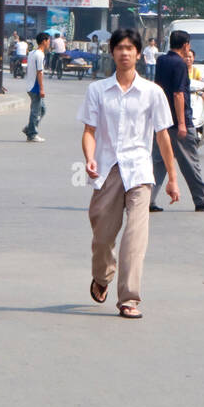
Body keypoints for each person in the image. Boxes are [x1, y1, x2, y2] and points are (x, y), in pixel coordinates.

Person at [78, 27, 180, 318]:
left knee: (135, 237)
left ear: (139, 53)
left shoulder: (152, 92)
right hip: (108, 169)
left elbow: (162, 137)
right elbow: (88, 131)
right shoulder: (97, 90)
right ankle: (102, 275)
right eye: (119, 47)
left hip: (139, 172)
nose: (124, 53)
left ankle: (129, 298)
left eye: (129, 48)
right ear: (112, 52)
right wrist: (89, 158)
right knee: (102, 237)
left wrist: (172, 179)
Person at [151, 28, 204, 213]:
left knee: (158, 161)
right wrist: (181, 123)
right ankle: (202, 199)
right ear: (186, 45)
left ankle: (147, 199)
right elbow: (179, 94)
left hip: (161, 120)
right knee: (189, 161)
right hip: (179, 121)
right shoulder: (179, 64)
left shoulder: (161, 60)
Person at [22, 32, 50, 142]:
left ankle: (29, 128)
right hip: (35, 87)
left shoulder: (32, 53)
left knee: (42, 109)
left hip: (30, 85)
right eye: (48, 41)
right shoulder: (39, 55)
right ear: (44, 41)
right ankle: (32, 134)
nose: (49, 43)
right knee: (36, 111)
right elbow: (39, 72)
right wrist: (42, 88)